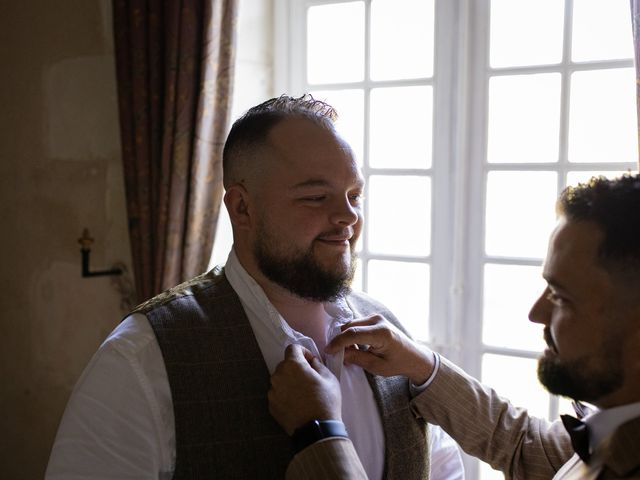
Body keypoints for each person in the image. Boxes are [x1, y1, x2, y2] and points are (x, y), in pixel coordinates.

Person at [45, 94, 464, 479]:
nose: (348, 216)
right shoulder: (141, 359)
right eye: (317, 197)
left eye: (354, 195)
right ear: (242, 208)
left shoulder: (394, 339)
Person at [269, 174, 640, 479]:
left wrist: (318, 430)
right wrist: (423, 366)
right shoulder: (617, 432)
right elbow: (521, 444)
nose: (536, 313)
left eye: (561, 297)